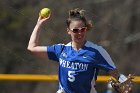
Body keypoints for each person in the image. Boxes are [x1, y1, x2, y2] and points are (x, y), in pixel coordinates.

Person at [27, 8, 129, 93]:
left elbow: (114, 73)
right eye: (75, 30)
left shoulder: (96, 51)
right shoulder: (61, 50)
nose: (79, 33)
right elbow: (32, 48)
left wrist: (121, 81)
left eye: (82, 29)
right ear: (68, 31)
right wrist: (38, 24)